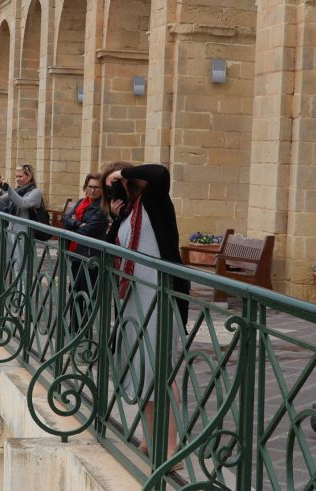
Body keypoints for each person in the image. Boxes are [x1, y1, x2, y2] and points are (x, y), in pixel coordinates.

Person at [101, 161, 189, 460]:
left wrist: (125, 173)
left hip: (160, 296)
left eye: (122, 181)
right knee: (143, 370)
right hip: (134, 301)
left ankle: (171, 445)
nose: (118, 186)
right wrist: (113, 219)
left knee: (163, 371)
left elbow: (161, 172)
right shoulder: (126, 214)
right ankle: (150, 438)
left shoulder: (154, 201)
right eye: (111, 184)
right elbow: (108, 251)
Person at [62, 173, 108, 329]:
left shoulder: (102, 207)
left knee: (86, 290)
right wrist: (77, 224)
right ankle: (74, 324)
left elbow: (89, 230)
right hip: (75, 252)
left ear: (102, 189)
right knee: (74, 288)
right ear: (85, 187)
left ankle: (85, 326)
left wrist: (74, 224)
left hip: (90, 255)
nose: (93, 190)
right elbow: (65, 219)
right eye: (90, 187)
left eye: (97, 187)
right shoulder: (82, 202)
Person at [0, 163, 44, 278]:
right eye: (16, 177)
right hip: (12, 231)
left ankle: (22, 294)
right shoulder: (16, 191)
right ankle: (17, 292)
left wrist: (9, 189)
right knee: (13, 263)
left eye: (21, 176)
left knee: (21, 265)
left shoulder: (36, 192)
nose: (18, 179)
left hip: (24, 233)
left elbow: (23, 203)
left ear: (29, 177)